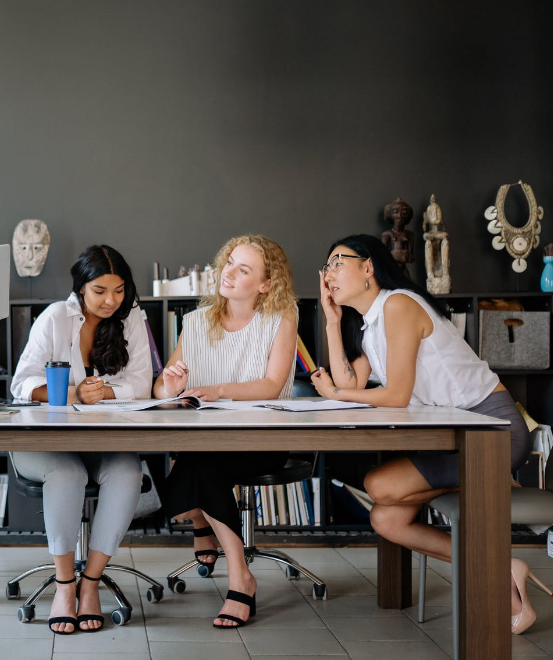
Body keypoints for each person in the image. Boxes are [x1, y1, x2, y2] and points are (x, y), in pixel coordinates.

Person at [310, 233, 544, 634]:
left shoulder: (399, 305)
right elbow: (352, 385)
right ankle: (506, 573)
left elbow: (395, 394)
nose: (327, 273)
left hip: (493, 432)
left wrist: (335, 391)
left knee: (378, 484)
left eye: (337, 262)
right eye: (325, 265)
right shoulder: (371, 325)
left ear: (368, 267)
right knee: (387, 520)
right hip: (455, 435)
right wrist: (332, 324)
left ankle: (501, 562)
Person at [156, 235, 298, 629]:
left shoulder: (281, 319)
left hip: (262, 440)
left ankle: (237, 572)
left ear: (266, 284)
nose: (229, 273)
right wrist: (169, 383)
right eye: (229, 263)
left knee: (196, 469)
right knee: (201, 459)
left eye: (244, 269)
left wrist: (218, 390)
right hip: (203, 441)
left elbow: (271, 385)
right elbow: (161, 388)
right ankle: (237, 570)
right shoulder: (195, 322)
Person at [9, 244, 152, 634]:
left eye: (119, 290)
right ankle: (64, 585)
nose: (111, 301)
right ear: (81, 288)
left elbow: (142, 383)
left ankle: (90, 582)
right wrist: (73, 395)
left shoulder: (132, 318)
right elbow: (22, 384)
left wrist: (104, 393)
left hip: (102, 443)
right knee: (68, 474)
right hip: (46, 445)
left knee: (127, 471)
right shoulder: (56, 317)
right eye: (100, 291)